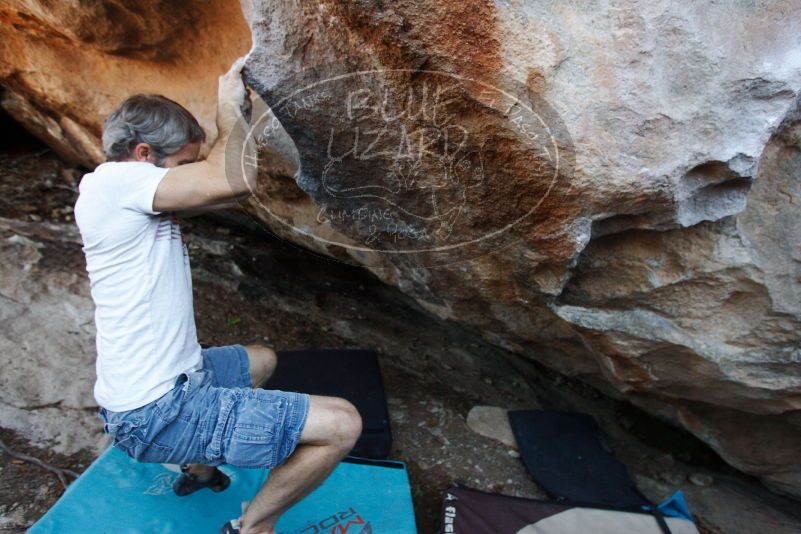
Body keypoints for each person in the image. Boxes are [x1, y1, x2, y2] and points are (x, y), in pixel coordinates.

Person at [73, 57, 362, 534]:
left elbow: (231, 191)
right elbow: (231, 179)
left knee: (261, 361)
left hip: (173, 383)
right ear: (143, 153)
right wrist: (228, 110)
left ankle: (199, 470)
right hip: (156, 412)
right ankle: (252, 527)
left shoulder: (126, 195)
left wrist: (249, 127)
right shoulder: (115, 182)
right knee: (343, 424)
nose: (190, 173)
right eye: (185, 164)